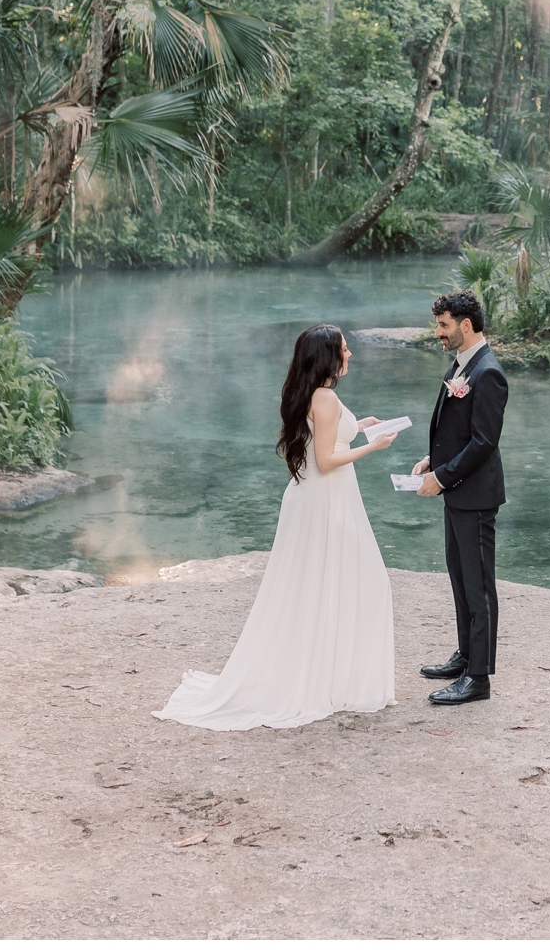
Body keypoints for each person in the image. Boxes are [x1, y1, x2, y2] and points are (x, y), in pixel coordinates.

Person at [153, 324, 398, 731]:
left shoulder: (314, 394)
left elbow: (329, 434)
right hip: (324, 501)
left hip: (319, 499)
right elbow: (325, 460)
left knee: (322, 585)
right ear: (327, 357)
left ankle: (330, 678)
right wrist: (373, 446)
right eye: (344, 348)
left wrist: (362, 424)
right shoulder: (326, 397)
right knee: (364, 582)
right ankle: (329, 682)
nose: (350, 354)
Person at [412, 289, 508, 705]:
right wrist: (431, 460)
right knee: (460, 578)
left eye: (443, 324)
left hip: (474, 495)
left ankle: (478, 679)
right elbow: (460, 432)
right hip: (457, 492)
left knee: (480, 586)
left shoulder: (488, 373)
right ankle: (466, 655)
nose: (438, 332)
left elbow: (485, 442)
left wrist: (443, 477)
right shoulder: (462, 364)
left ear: (466, 325)